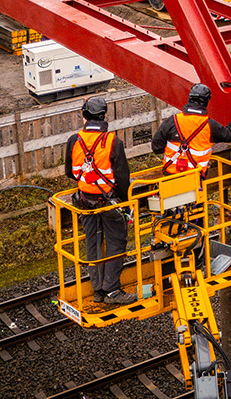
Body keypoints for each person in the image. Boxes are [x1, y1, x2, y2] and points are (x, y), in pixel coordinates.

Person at [65, 96, 135, 305]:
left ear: (85, 116)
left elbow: (70, 172)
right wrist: (124, 202)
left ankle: (98, 291)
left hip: (84, 201)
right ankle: (112, 290)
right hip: (108, 202)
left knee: (93, 243)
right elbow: (122, 177)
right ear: (103, 116)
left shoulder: (74, 140)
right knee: (116, 242)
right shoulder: (113, 141)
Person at [152, 83, 231, 174]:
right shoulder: (209, 125)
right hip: (195, 178)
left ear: (189, 99)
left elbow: (156, 147)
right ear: (207, 102)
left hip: (170, 177)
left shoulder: (173, 120)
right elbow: (227, 135)